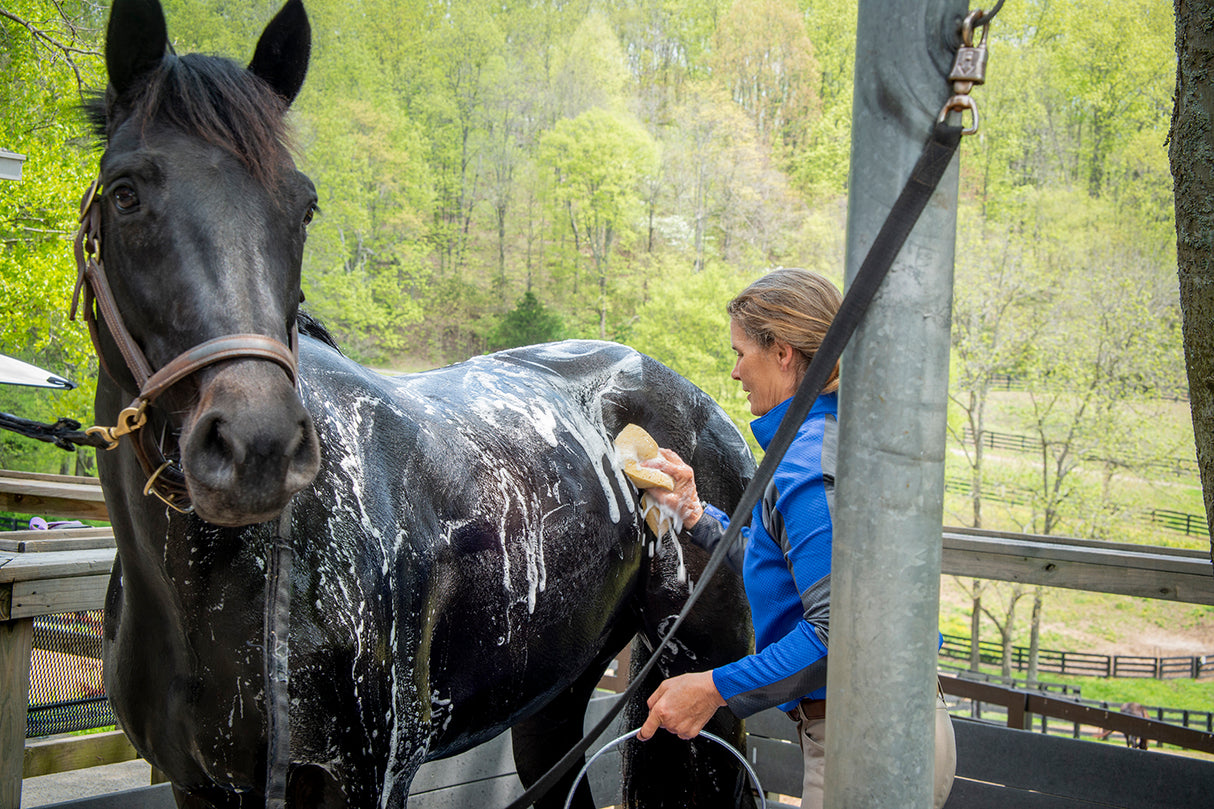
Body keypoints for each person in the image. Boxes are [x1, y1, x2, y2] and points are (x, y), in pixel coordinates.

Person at [634, 267, 955, 809]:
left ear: (782, 352)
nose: (735, 372)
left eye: (741, 352)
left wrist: (713, 688)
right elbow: (786, 568)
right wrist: (693, 513)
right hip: (885, 731)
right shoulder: (832, 437)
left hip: (860, 747)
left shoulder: (807, 467)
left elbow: (837, 636)